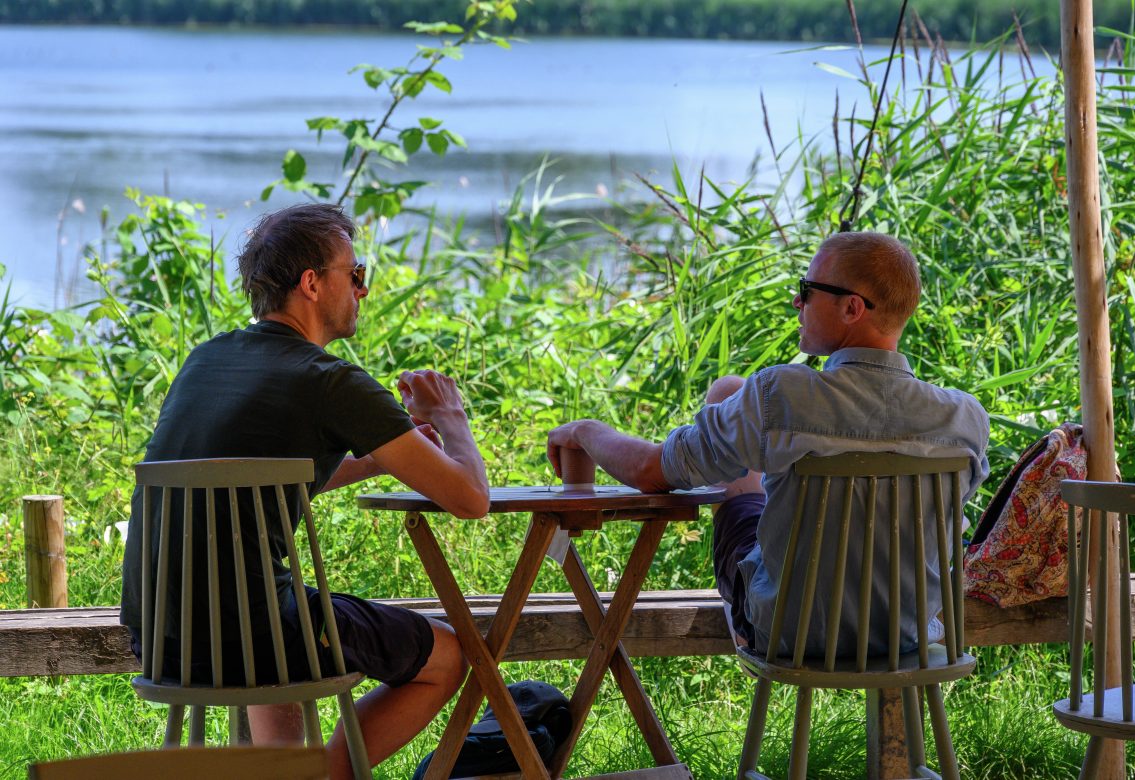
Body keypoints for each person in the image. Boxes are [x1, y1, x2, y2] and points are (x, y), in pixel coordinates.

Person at [120, 203, 489, 779]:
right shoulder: (330, 380)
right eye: (356, 273)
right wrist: (452, 416)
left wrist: (369, 465)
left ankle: (288, 772)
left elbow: (247, 478)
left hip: (161, 635)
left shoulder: (205, 361)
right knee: (445, 657)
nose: (363, 290)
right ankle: (314, 777)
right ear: (312, 283)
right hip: (257, 637)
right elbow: (470, 498)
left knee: (278, 606)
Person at [547, 231, 990, 655]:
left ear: (853, 308)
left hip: (789, 634)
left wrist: (586, 430)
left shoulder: (781, 396)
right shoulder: (965, 420)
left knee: (727, 395)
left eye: (808, 289)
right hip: (907, 638)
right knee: (733, 400)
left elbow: (651, 471)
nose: (798, 301)